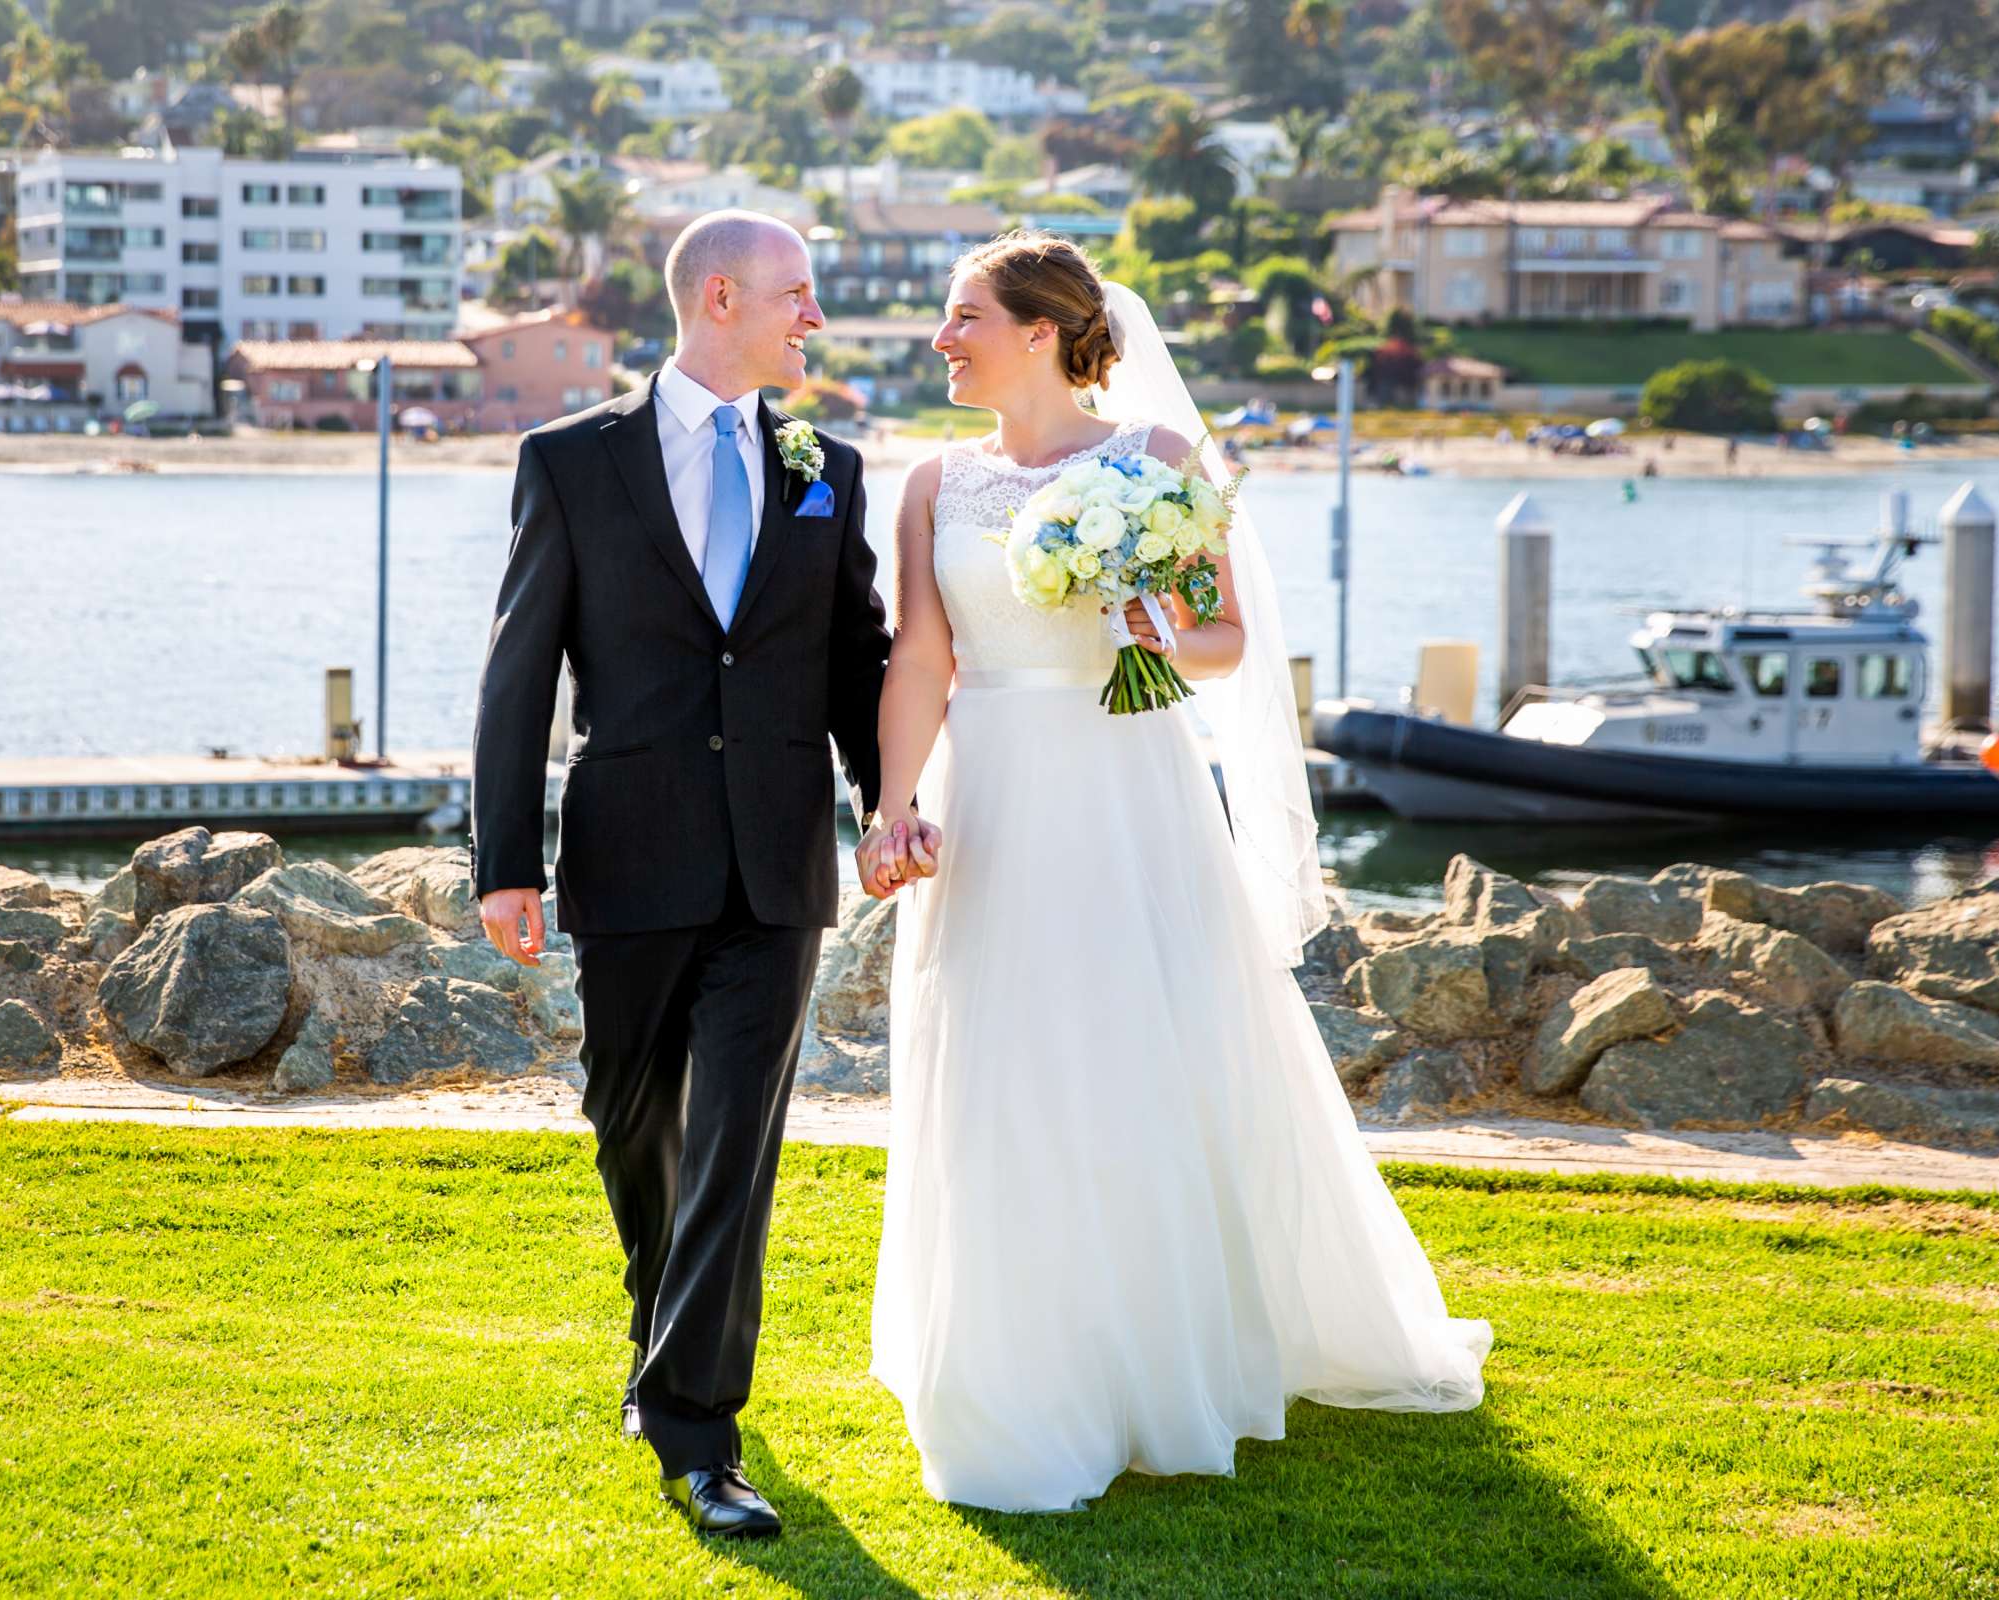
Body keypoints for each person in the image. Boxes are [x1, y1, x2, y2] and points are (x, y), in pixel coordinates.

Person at [862, 232, 1491, 1514]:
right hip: (989, 790)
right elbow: (921, 658)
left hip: (1124, 787)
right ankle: (1010, 1365)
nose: (941, 338)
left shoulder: (1153, 465)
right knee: (996, 1057)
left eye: (962, 314)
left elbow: (1223, 640)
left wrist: (1150, 622)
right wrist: (889, 806)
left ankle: (1155, 1356)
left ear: (1039, 330)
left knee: (1138, 1052)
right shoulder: (930, 482)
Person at [467, 210, 915, 1539]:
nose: (813, 319)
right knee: (632, 1126)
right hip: (628, 848)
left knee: (736, 1148)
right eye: (798, 294)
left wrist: (891, 803)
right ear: (720, 296)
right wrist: (504, 859)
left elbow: (855, 660)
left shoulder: (824, 465)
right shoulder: (569, 461)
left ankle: (697, 1437)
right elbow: (519, 669)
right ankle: (660, 1328)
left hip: (778, 864)